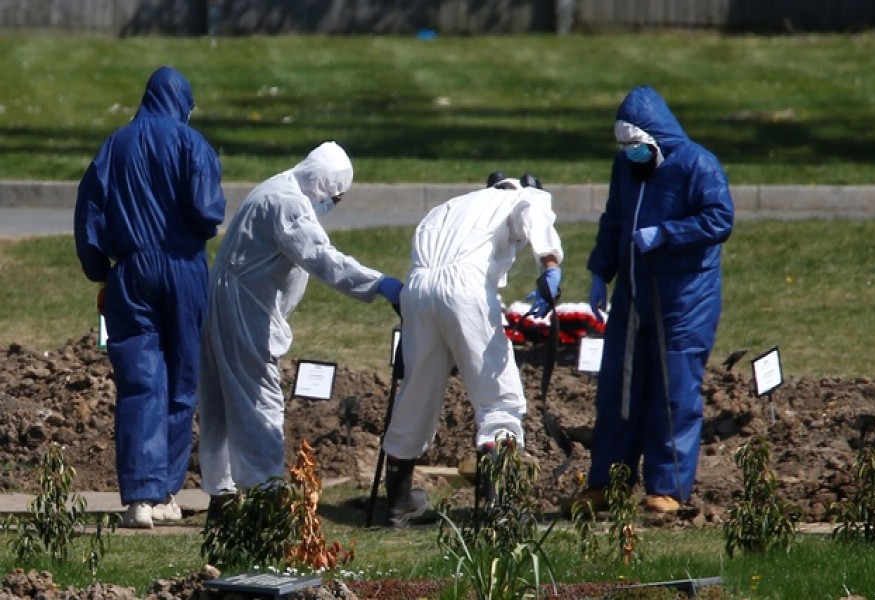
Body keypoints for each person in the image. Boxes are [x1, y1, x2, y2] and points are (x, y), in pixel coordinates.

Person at [198, 141, 404, 513]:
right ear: (324, 185)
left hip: (233, 304)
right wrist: (380, 284)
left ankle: (222, 491)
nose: (333, 207)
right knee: (259, 399)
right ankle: (265, 493)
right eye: (336, 199)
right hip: (246, 312)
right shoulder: (289, 203)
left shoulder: (280, 186)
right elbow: (321, 258)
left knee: (223, 399)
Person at [73, 66, 227, 528]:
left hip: (131, 272)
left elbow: (90, 209)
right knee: (182, 379)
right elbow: (206, 212)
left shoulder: (115, 144)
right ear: (182, 103)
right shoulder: (192, 144)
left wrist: (100, 270)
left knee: (140, 381)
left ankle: (139, 498)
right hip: (183, 269)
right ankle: (165, 494)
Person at [576, 85, 734, 515]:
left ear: (657, 140)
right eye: (623, 147)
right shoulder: (625, 167)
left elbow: (719, 219)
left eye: (637, 146)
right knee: (620, 390)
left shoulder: (697, 164)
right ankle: (608, 481)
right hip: (632, 295)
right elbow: (614, 218)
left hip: (684, 300)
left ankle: (667, 488)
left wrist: (666, 234)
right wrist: (599, 273)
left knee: (673, 392)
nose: (630, 153)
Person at [381, 174, 564, 527]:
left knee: (416, 393)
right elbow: (535, 213)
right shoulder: (524, 196)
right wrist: (550, 264)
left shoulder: (450, 206)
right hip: (466, 290)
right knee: (498, 397)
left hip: (418, 290)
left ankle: (398, 504)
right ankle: (499, 508)